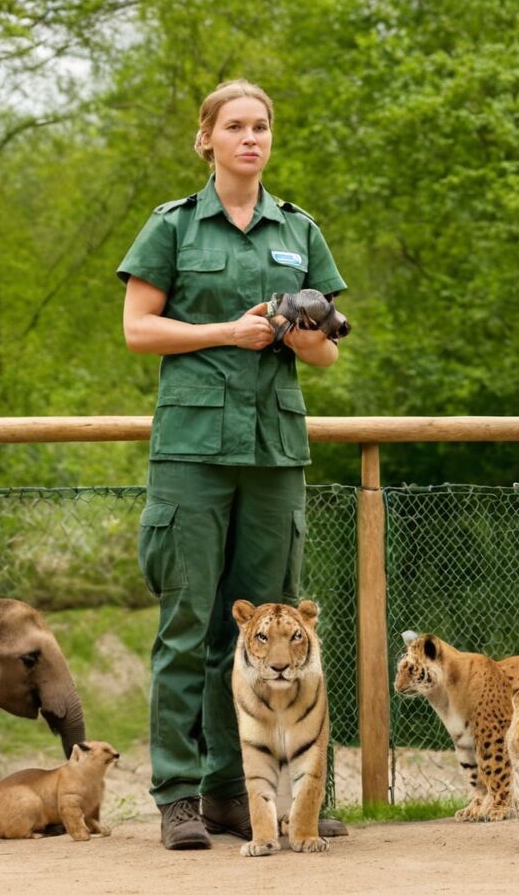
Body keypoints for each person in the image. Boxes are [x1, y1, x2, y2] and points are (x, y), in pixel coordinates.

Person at [117, 79, 349, 850]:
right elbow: (139, 331)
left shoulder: (299, 230)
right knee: (189, 626)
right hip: (191, 452)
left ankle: (260, 797)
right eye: (236, 127)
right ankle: (180, 796)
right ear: (207, 138)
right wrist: (227, 331)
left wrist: (290, 329)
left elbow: (326, 353)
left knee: (271, 629)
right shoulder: (175, 228)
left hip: (274, 452)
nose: (251, 139)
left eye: (262, 127)